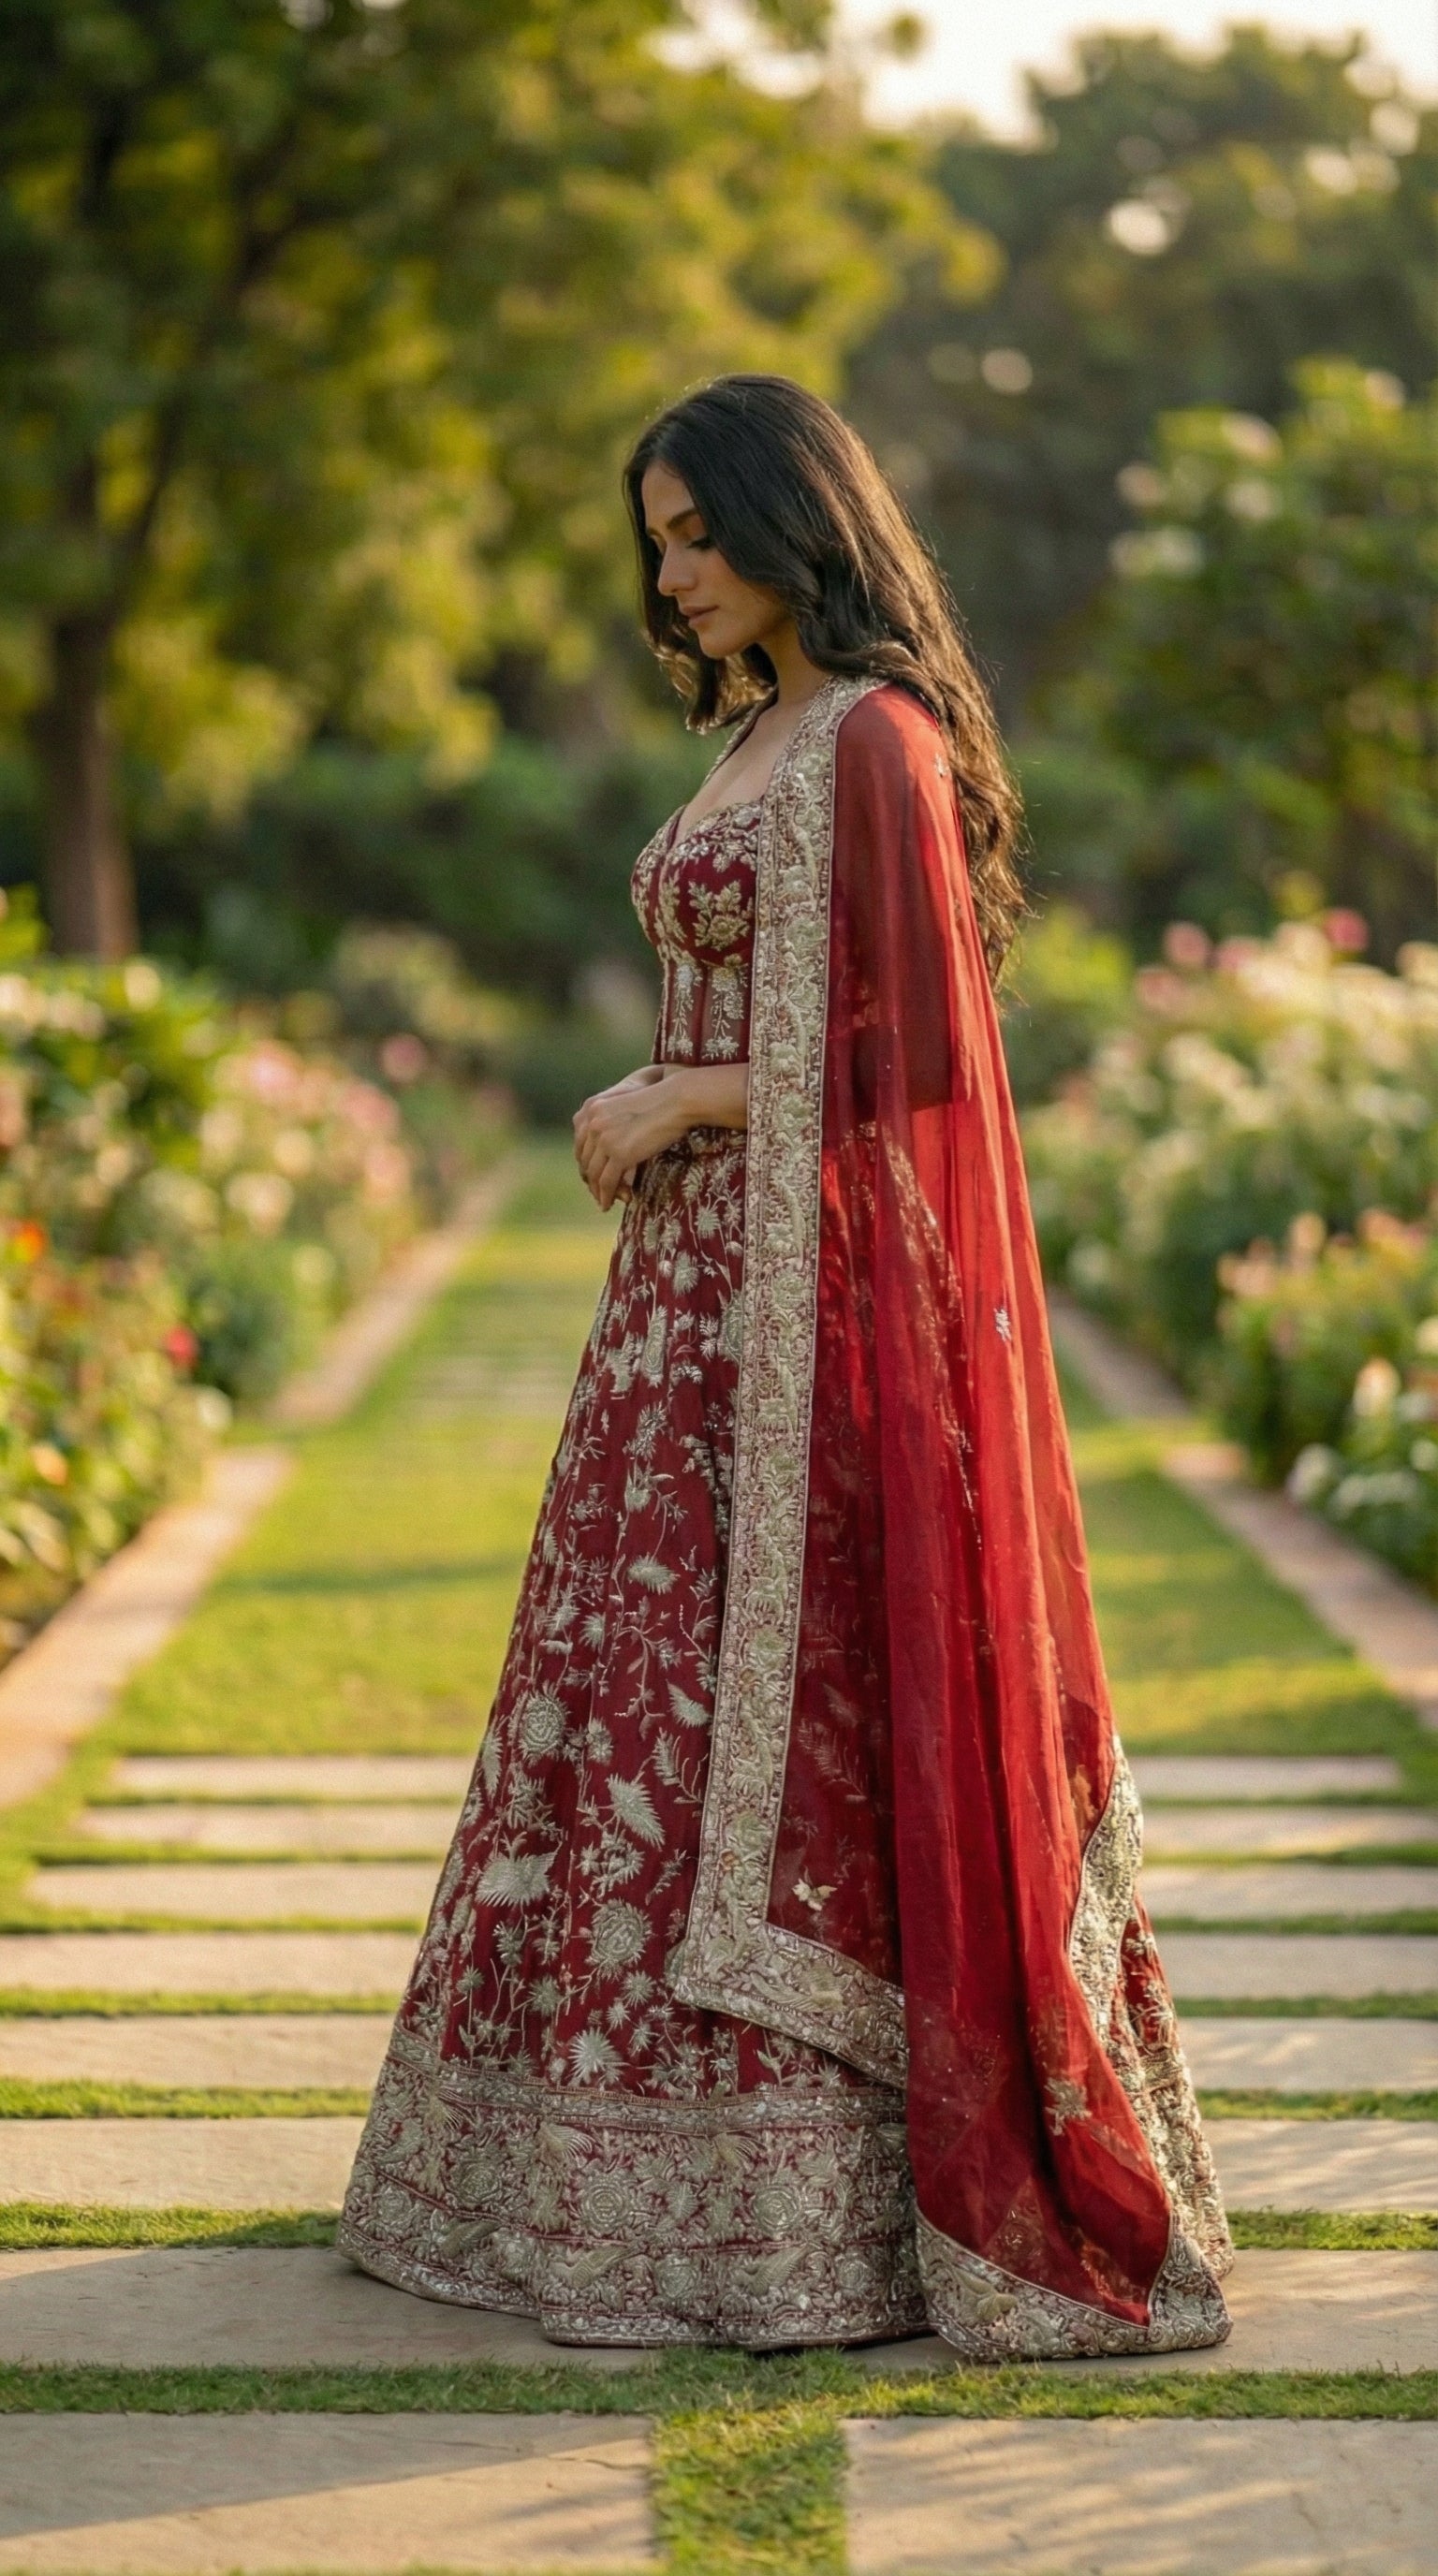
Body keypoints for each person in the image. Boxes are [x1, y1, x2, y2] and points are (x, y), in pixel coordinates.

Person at [340, 374, 1232, 2359]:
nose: (668, 574)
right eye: (651, 540)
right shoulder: (754, 734)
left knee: (787, 1719)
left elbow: (919, 1069)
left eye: (692, 531)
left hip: (797, 1330)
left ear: (788, 519)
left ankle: (804, 2205)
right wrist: (672, 1116)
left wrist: (682, 1096)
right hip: (672, 1333)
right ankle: (588, 2165)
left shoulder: (878, 743)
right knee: (634, 1708)